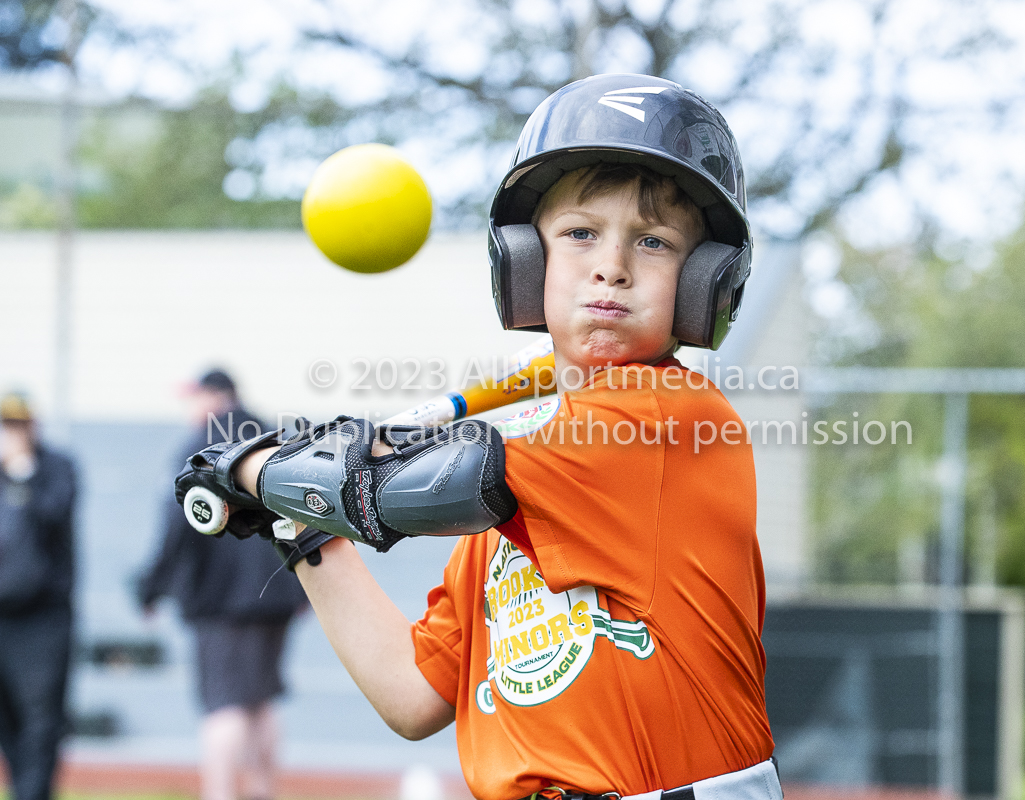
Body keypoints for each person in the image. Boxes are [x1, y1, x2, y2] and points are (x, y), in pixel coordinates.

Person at [176, 74, 779, 800]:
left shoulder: (670, 415)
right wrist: (298, 523)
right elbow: (411, 694)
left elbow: (422, 485)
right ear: (527, 261)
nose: (611, 266)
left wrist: (250, 469)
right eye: (580, 233)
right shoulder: (516, 493)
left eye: (652, 242)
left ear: (704, 282)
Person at [138, 370, 307, 800]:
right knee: (261, 698)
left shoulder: (200, 447)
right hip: (280, 591)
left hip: (221, 601)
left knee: (224, 705)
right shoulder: (271, 438)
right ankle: (264, 792)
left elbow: (176, 524)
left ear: (214, 397)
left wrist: (150, 588)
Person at [0, 392, 78, 800]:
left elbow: (52, 516)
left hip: (43, 618)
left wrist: (22, 474)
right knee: (8, 720)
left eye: (17, 425)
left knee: (42, 719)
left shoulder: (56, 469)